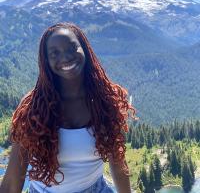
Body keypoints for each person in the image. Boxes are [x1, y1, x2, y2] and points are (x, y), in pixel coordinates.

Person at [0, 22, 136, 193]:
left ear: (85, 50)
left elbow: (117, 162)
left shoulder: (104, 102)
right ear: (46, 61)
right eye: (55, 53)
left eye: (72, 48)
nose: (65, 57)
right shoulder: (33, 108)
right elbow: (13, 180)